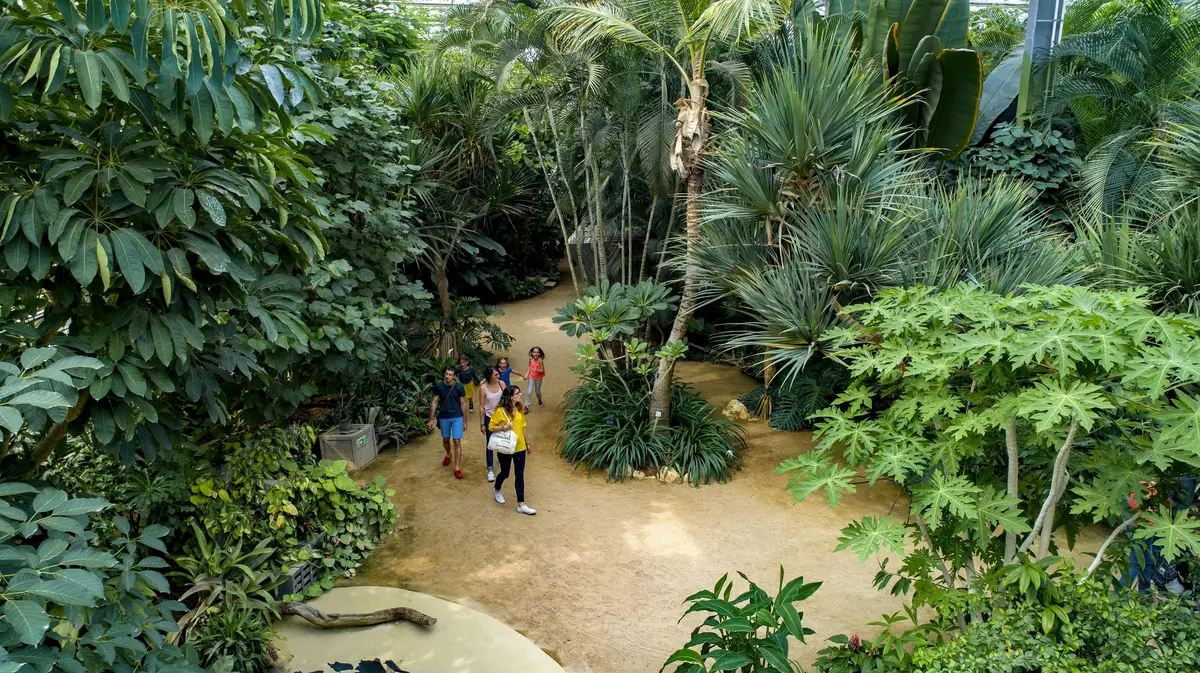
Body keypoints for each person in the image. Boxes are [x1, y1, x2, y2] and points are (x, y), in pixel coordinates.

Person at [488, 385, 536, 515]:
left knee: (519, 474)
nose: (520, 395)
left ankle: (521, 504)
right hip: (506, 447)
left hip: (519, 447)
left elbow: (523, 426)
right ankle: (497, 489)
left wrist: (528, 443)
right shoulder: (500, 411)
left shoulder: (520, 408)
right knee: (505, 472)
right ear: (510, 396)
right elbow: (491, 427)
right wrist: (504, 428)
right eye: (517, 393)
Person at [428, 365, 468, 479]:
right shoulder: (439, 386)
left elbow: (463, 403)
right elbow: (435, 401)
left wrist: (465, 421)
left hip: (457, 416)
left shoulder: (459, 387)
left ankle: (457, 467)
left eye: (450, 374)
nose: (447, 376)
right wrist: (431, 419)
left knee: (456, 441)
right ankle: (448, 454)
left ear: (454, 376)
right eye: (446, 374)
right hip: (444, 417)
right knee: (445, 439)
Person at [478, 365, 506, 483]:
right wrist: (482, 424)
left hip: (502, 418)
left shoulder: (502, 384)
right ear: (489, 376)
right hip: (489, 418)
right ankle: (490, 469)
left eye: (498, 374)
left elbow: (507, 399)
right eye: (495, 374)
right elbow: (481, 406)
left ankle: (500, 460)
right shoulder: (483, 388)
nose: (498, 376)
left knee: (501, 440)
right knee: (490, 443)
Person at [522, 347, 546, 412]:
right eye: (534, 352)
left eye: (537, 352)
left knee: (537, 391)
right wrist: (527, 374)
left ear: (540, 354)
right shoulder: (530, 359)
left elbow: (543, 371)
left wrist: (537, 370)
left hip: (538, 378)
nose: (536, 354)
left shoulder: (540, 360)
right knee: (529, 391)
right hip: (531, 377)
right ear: (532, 353)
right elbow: (530, 367)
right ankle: (526, 406)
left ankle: (539, 400)